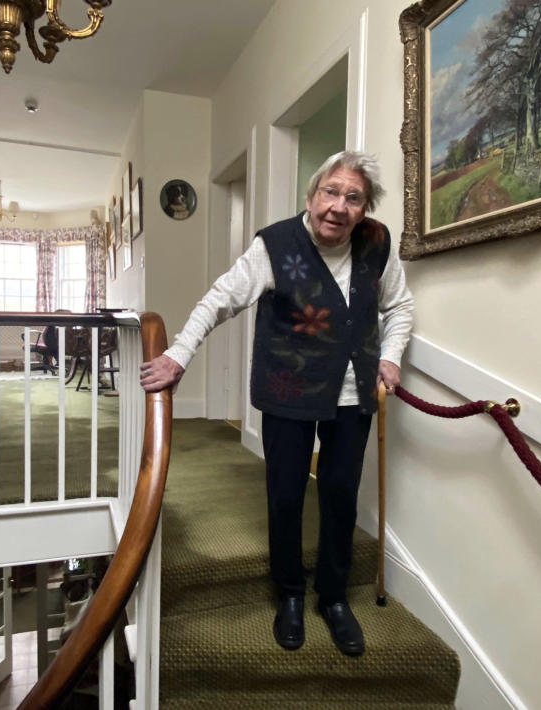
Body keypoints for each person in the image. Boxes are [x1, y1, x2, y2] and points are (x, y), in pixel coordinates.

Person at [140, 151, 414, 656]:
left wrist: (391, 357)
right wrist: (179, 355)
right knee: (286, 495)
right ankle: (289, 592)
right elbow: (218, 299)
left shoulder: (376, 244)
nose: (339, 206)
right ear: (311, 197)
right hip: (288, 389)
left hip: (354, 392)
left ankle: (333, 597)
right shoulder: (275, 245)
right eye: (330, 192)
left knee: (339, 494)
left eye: (353, 197)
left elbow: (398, 306)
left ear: (365, 208)